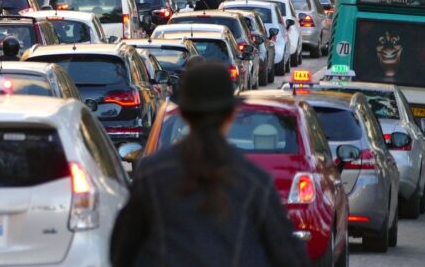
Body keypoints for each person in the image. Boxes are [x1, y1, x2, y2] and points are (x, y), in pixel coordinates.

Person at [110, 61, 309, 267]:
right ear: (231, 115)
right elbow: (290, 256)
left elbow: (121, 252)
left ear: (184, 114)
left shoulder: (152, 174)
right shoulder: (254, 181)